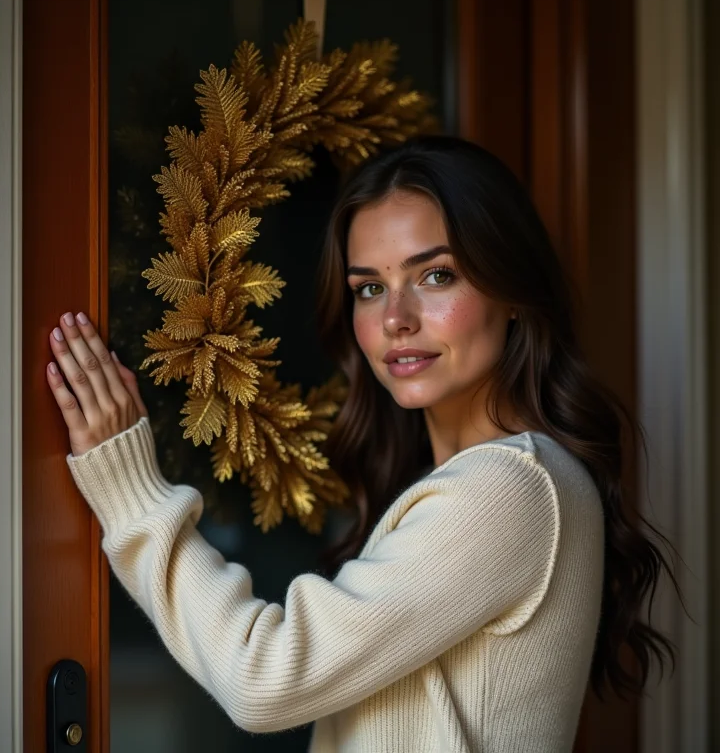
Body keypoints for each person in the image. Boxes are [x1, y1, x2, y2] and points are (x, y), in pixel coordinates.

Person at [45, 136, 675, 752]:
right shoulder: (490, 483)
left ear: (510, 290)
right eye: (369, 287)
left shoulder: (509, 490)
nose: (395, 317)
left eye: (435, 274)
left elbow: (264, 678)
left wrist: (132, 496)